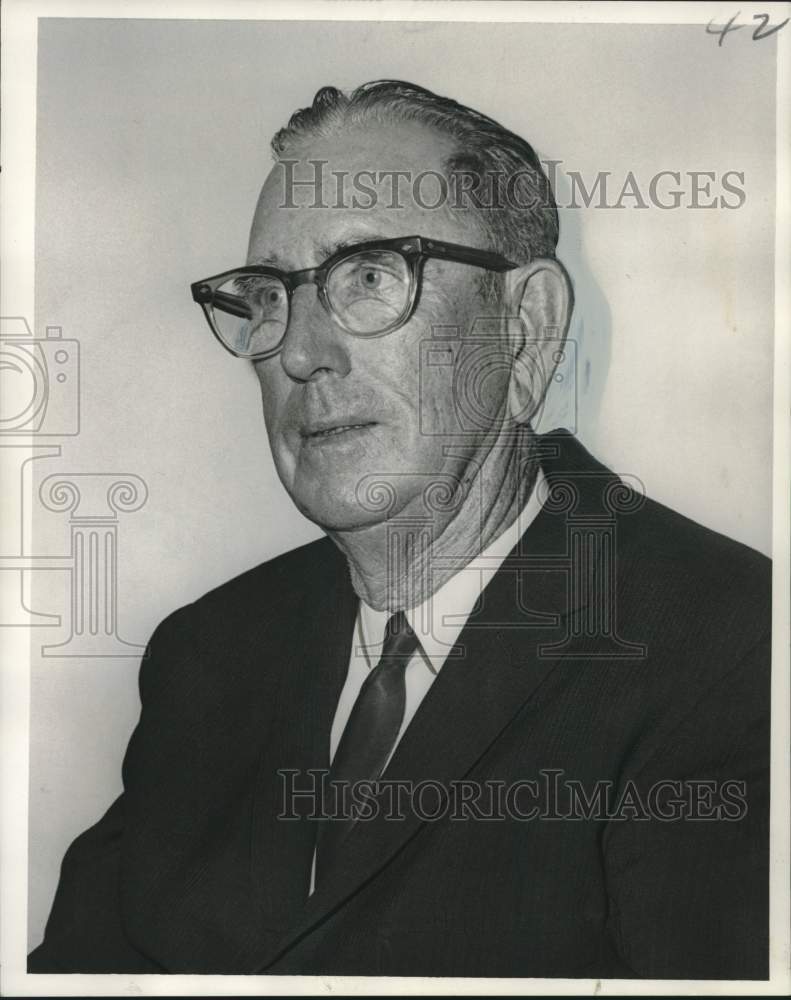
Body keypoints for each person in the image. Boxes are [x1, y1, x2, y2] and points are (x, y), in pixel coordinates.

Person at [29, 80, 770, 979]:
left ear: (526, 329)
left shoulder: (732, 646)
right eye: (268, 297)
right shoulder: (209, 655)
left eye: (371, 276)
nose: (299, 351)